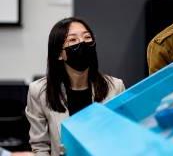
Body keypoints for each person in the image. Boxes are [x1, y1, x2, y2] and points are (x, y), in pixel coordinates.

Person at [25, 17, 125, 156]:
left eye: (87, 37)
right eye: (72, 40)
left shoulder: (115, 87)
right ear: (59, 54)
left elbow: (121, 137)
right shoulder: (39, 91)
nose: (82, 43)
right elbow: (40, 146)